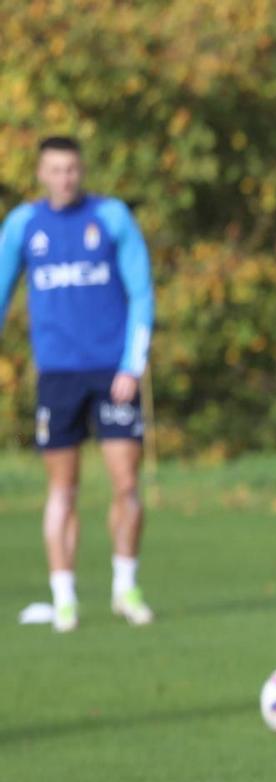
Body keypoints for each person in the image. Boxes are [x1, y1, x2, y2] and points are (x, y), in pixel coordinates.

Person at [0, 135, 157, 633]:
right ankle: (63, 598)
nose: (64, 177)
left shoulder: (111, 218)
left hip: (113, 373)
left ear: (81, 171)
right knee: (63, 490)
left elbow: (141, 292)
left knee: (126, 484)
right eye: (55, 169)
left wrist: (132, 364)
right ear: (41, 173)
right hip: (57, 375)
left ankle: (125, 588)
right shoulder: (24, 225)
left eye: (72, 169)